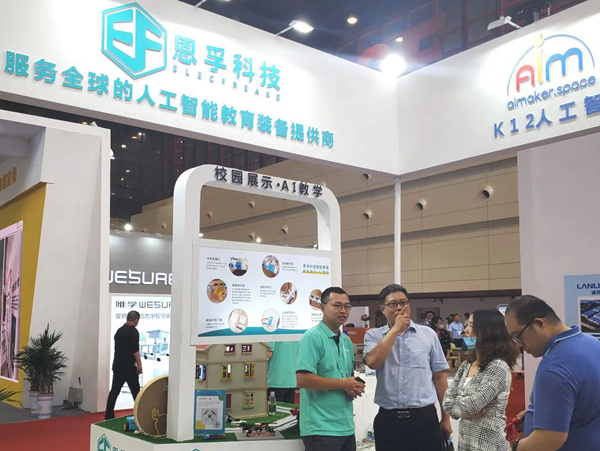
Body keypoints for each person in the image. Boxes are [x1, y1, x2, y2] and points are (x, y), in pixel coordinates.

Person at [504, 295, 600, 451]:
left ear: (539, 323)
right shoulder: (591, 343)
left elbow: (550, 438)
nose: (519, 345)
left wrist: (515, 447)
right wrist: (539, 413)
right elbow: (584, 402)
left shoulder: (554, 367)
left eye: (518, 336)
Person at [364, 284, 451, 451]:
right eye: (393, 304)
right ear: (383, 309)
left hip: (424, 418)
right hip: (389, 419)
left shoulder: (428, 334)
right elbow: (373, 362)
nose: (399, 308)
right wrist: (395, 329)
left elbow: (440, 378)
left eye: (403, 303)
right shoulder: (373, 335)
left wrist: (446, 418)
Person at [296, 287, 364, 451]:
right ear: (322, 307)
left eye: (347, 307)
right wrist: (343, 384)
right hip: (320, 428)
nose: (343, 311)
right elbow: (303, 380)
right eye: (337, 305)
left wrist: (353, 387)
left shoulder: (346, 341)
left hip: (346, 426)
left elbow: (345, 377)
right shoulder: (312, 337)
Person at [443, 310, 518, 451]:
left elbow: (472, 405)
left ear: (487, 332)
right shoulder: (466, 365)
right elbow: (447, 402)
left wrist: (457, 406)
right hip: (466, 442)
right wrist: (460, 408)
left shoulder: (497, 367)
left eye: (471, 325)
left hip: (489, 443)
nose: (465, 330)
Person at [104, 310, 142, 420]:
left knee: (114, 391)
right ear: (136, 320)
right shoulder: (134, 332)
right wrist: (139, 364)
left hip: (118, 366)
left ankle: (108, 415)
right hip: (130, 367)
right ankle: (140, 414)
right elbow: (135, 350)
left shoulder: (119, 331)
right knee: (136, 392)